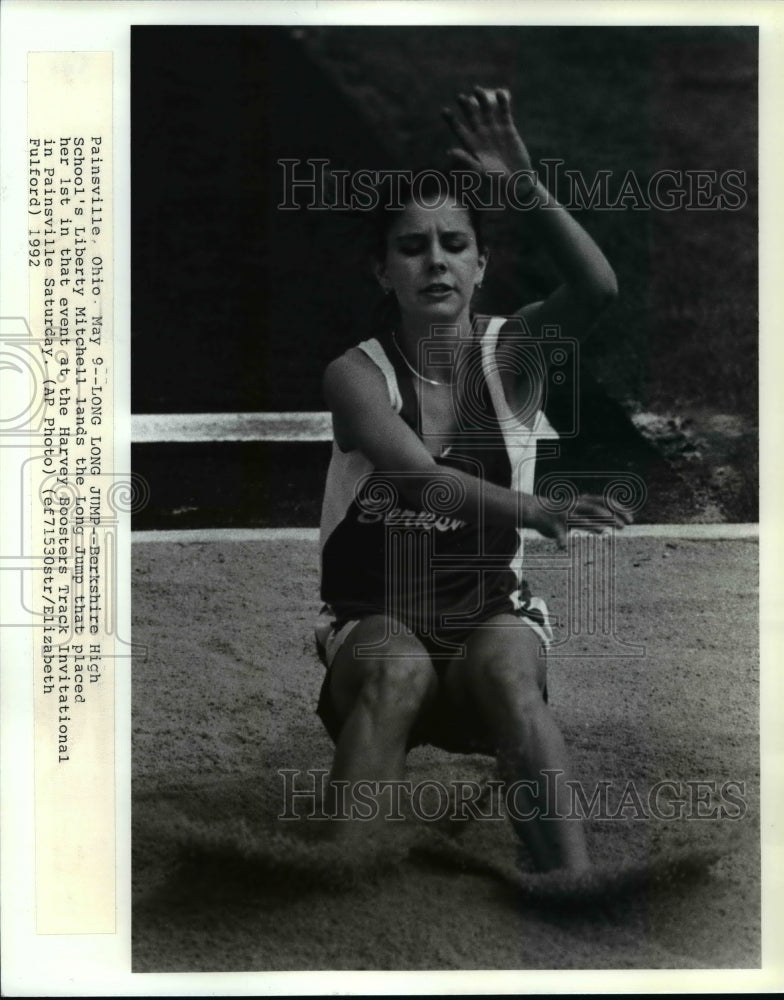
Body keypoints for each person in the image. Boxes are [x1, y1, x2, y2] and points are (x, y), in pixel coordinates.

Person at [314, 87, 629, 874]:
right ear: (381, 270)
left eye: (455, 243)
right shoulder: (355, 375)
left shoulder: (512, 354)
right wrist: (534, 507)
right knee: (398, 665)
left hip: (490, 609)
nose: (436, 261)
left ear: (481, 266)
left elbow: (597, 291)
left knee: (510, 670)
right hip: (375, 619)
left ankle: (571, 881)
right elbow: (420, 480)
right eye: (413, 246)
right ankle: (330, 876)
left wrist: (522, 182)